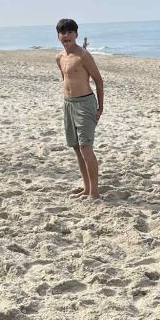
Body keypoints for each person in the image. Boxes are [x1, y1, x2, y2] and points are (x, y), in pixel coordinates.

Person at [55, 18, 104, 200]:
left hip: (85, 104)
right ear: (58, 36)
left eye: (70, 32)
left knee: (85, 147)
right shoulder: (59, 57)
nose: (66, 35)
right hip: (68, 104)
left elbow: (98, 81)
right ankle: (86, 188)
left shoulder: (83, 56)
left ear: (76, 34)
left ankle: (94, 193)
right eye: (63, 32)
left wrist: (100, 107)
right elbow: (65, 80)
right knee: (76, 148)